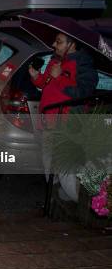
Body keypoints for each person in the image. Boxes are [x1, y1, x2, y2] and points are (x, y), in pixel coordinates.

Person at [29, 32, 98, 199]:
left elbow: (84, 92)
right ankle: (54, 201)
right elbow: (45, 83)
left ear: (71, 44)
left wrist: (60, 78)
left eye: (59, 42)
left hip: (66, 124)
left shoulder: (83, 63)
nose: (54, 44)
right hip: (47, 121)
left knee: (64, 167)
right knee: (48, 165)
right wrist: (36, 77)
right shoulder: (55, 60)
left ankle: (76, 201)